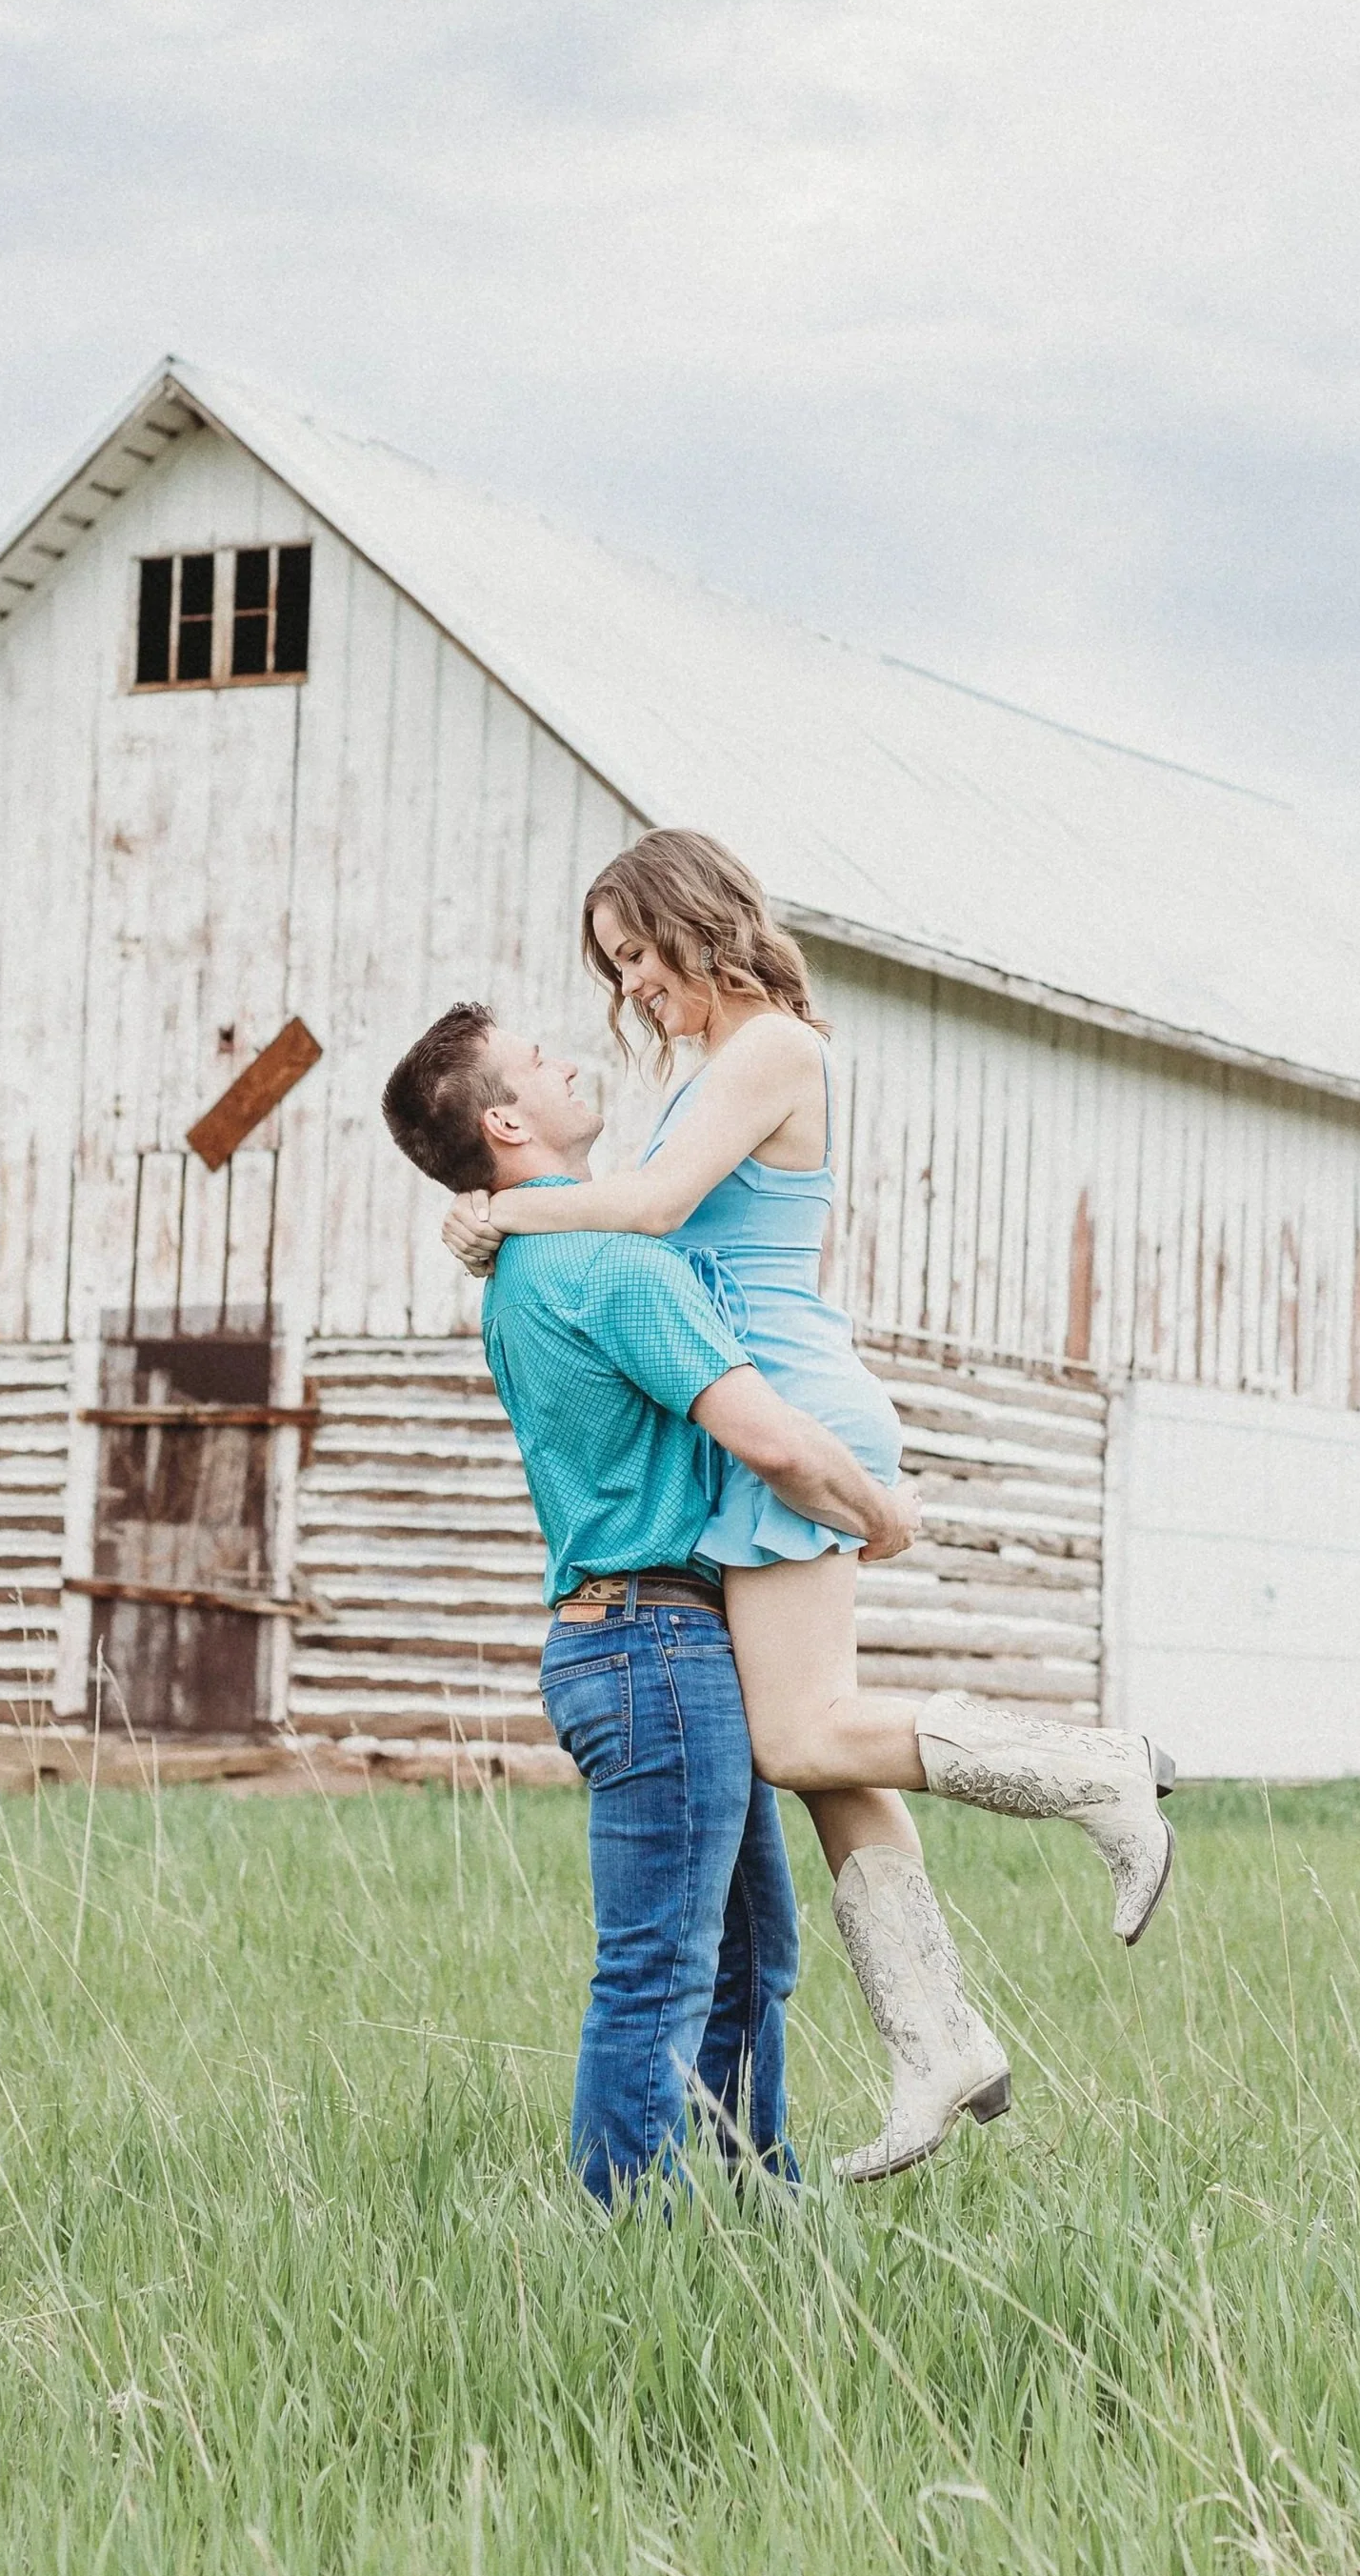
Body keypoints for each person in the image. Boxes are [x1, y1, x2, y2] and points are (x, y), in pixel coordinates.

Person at [441, 831, 1178, 2182]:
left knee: (798, 1732)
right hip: (745, 1412)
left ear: (694, 920)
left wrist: (505, 1212)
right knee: (821, 1750)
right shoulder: (701, 1064)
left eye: (639, 956)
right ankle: (933, 2040)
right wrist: (511, 1215)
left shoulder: (774, 1043)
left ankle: (1094, 1773)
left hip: (783, 1403)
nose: (633, 988)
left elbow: (655, 1205)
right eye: (614, 969)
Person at [381, 999, 933, 2208]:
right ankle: (622, 2235)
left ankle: (756, 2203)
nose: (570, 1055)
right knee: (663, 1970)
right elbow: (770, 1437)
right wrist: (879, 1513)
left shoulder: (532, 1259)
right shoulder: (607, 1259)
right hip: (655, 1646)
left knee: (744, 1959)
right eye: (538, 1058)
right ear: (508, 1118)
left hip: (632, 1642)